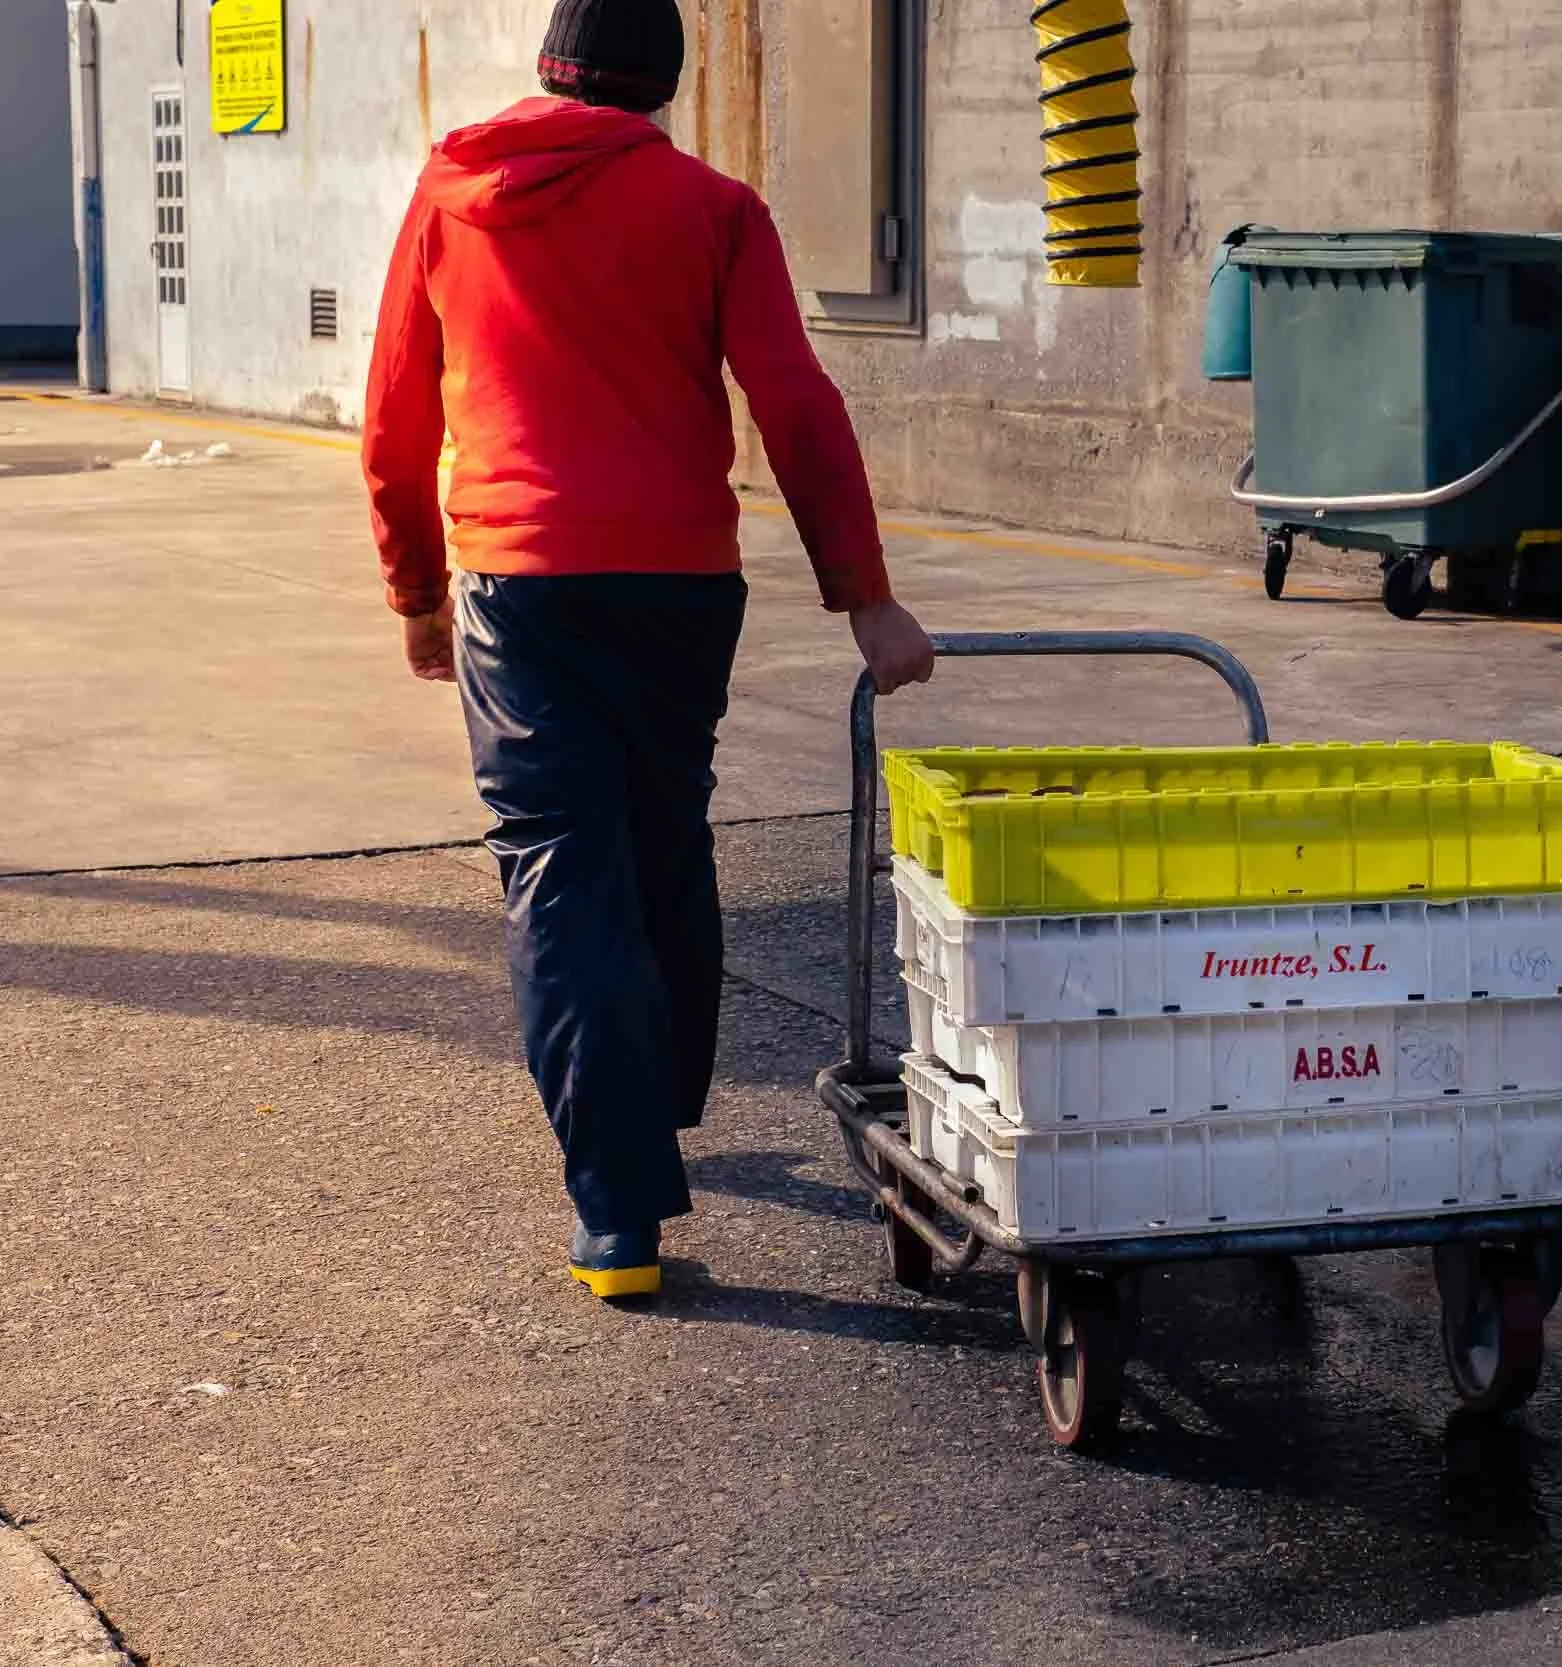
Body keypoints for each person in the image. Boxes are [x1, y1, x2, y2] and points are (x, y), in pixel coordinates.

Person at [361, 0, 934, 1301]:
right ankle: (664, 1099)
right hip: (680, 586)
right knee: (665, 830)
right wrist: (868, 598)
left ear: (549, 69)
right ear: (662, 89)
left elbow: (394, 415)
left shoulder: (456, 190)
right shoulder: (714, 209)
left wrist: (416, 596)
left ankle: (618, 1213)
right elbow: (793, 398)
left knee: (564, 868)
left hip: (524, 586)